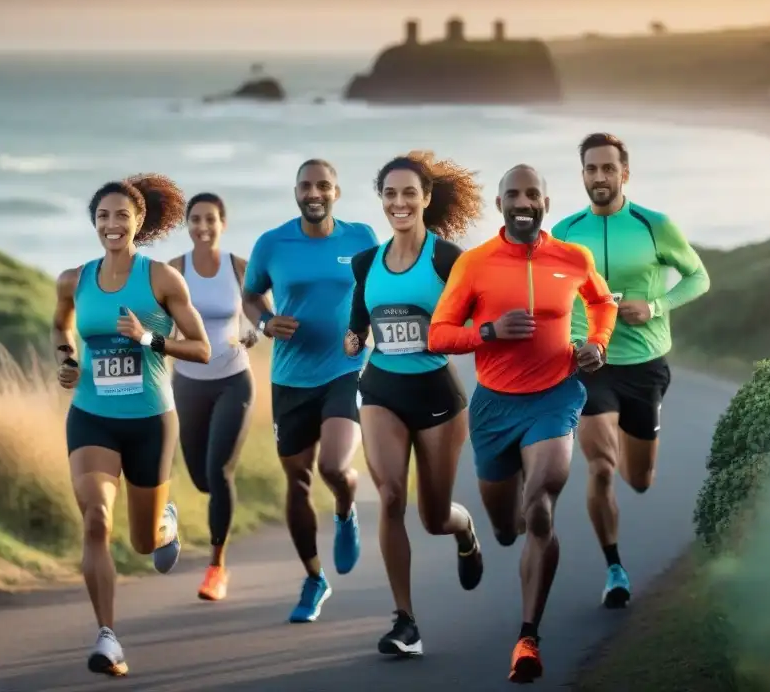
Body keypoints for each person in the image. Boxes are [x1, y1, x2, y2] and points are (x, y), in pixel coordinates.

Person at [427, 165, 617, 684]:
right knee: (508, 527)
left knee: (541, 505)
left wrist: (596, 344)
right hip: (493, 407)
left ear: (546, 204)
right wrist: (488, 331)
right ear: (500, 204)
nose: (523, 202)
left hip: (554, 398)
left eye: (532, 193)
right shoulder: (475, 263)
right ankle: (475, 534)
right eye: (514, 194)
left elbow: (601, 304)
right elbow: (439, 335)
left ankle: (527, 637)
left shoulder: (573, 258)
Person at [52, 173, 211, 677]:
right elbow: (61, 324)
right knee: (96, 519)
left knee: (143, 544)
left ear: (139, 221)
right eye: (103, 216)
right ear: (94, 224)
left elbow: (202, 349)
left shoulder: (162, 278)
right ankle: (108, 637)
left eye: (122, 215)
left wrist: (148, 340)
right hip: (92, 417)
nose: (112, 224)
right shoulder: (74, 280)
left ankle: (164, 520)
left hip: (149, 420)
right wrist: (66, 357)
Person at [551, 132, 710, 609]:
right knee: (600, 467)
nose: (599, 177)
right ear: (581, 175)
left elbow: (699, 277)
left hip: (644, 365)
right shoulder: (564, 231)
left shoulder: (653, 225)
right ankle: (615, 567)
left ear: (624, 174)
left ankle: (621, 436)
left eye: (607, 168)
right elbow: (546, 293)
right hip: (589, 363)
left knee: (638, 478)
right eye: (590, 169)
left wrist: (657, 305)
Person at [343, 152, 486, 658]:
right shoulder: (366, 263)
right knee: (388, 496)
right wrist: (353, 338)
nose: (399, 202)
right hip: (381, 387)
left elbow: (479, 321)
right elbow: (360, 320)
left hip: (436, 395)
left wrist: (454, 334)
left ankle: (464, 529)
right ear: (381, 200)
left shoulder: (449, 260)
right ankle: (405, 622)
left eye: (409, 193)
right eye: (389, 194)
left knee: (432, 515)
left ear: (426, 198)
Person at [242, 158, 378, 623]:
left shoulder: (360, 238)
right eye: (306, 185)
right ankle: (314, 577)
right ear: (296, 192)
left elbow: (377, 289)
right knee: (297, 481)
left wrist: (370, 330)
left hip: (346, 368)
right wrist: (263, 321)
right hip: (289, 378)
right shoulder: (271, 243)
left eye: (324, 185)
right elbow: (251, 294)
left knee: (334, 466)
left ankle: (345, 507)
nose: (314, 192)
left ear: (336, 192)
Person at [168, 192, 258, 602]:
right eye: (196, 219)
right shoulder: (174, 270)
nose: (203, 227)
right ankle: (175, 518)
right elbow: (158, 320)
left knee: (219, 471)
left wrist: (256, 330)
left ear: (223, 223)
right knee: (201, 477)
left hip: (232, 380)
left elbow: (259, 312)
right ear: (187, 224)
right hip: (187, 381)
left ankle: (216, 567)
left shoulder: (239, 268)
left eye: (210, 219)